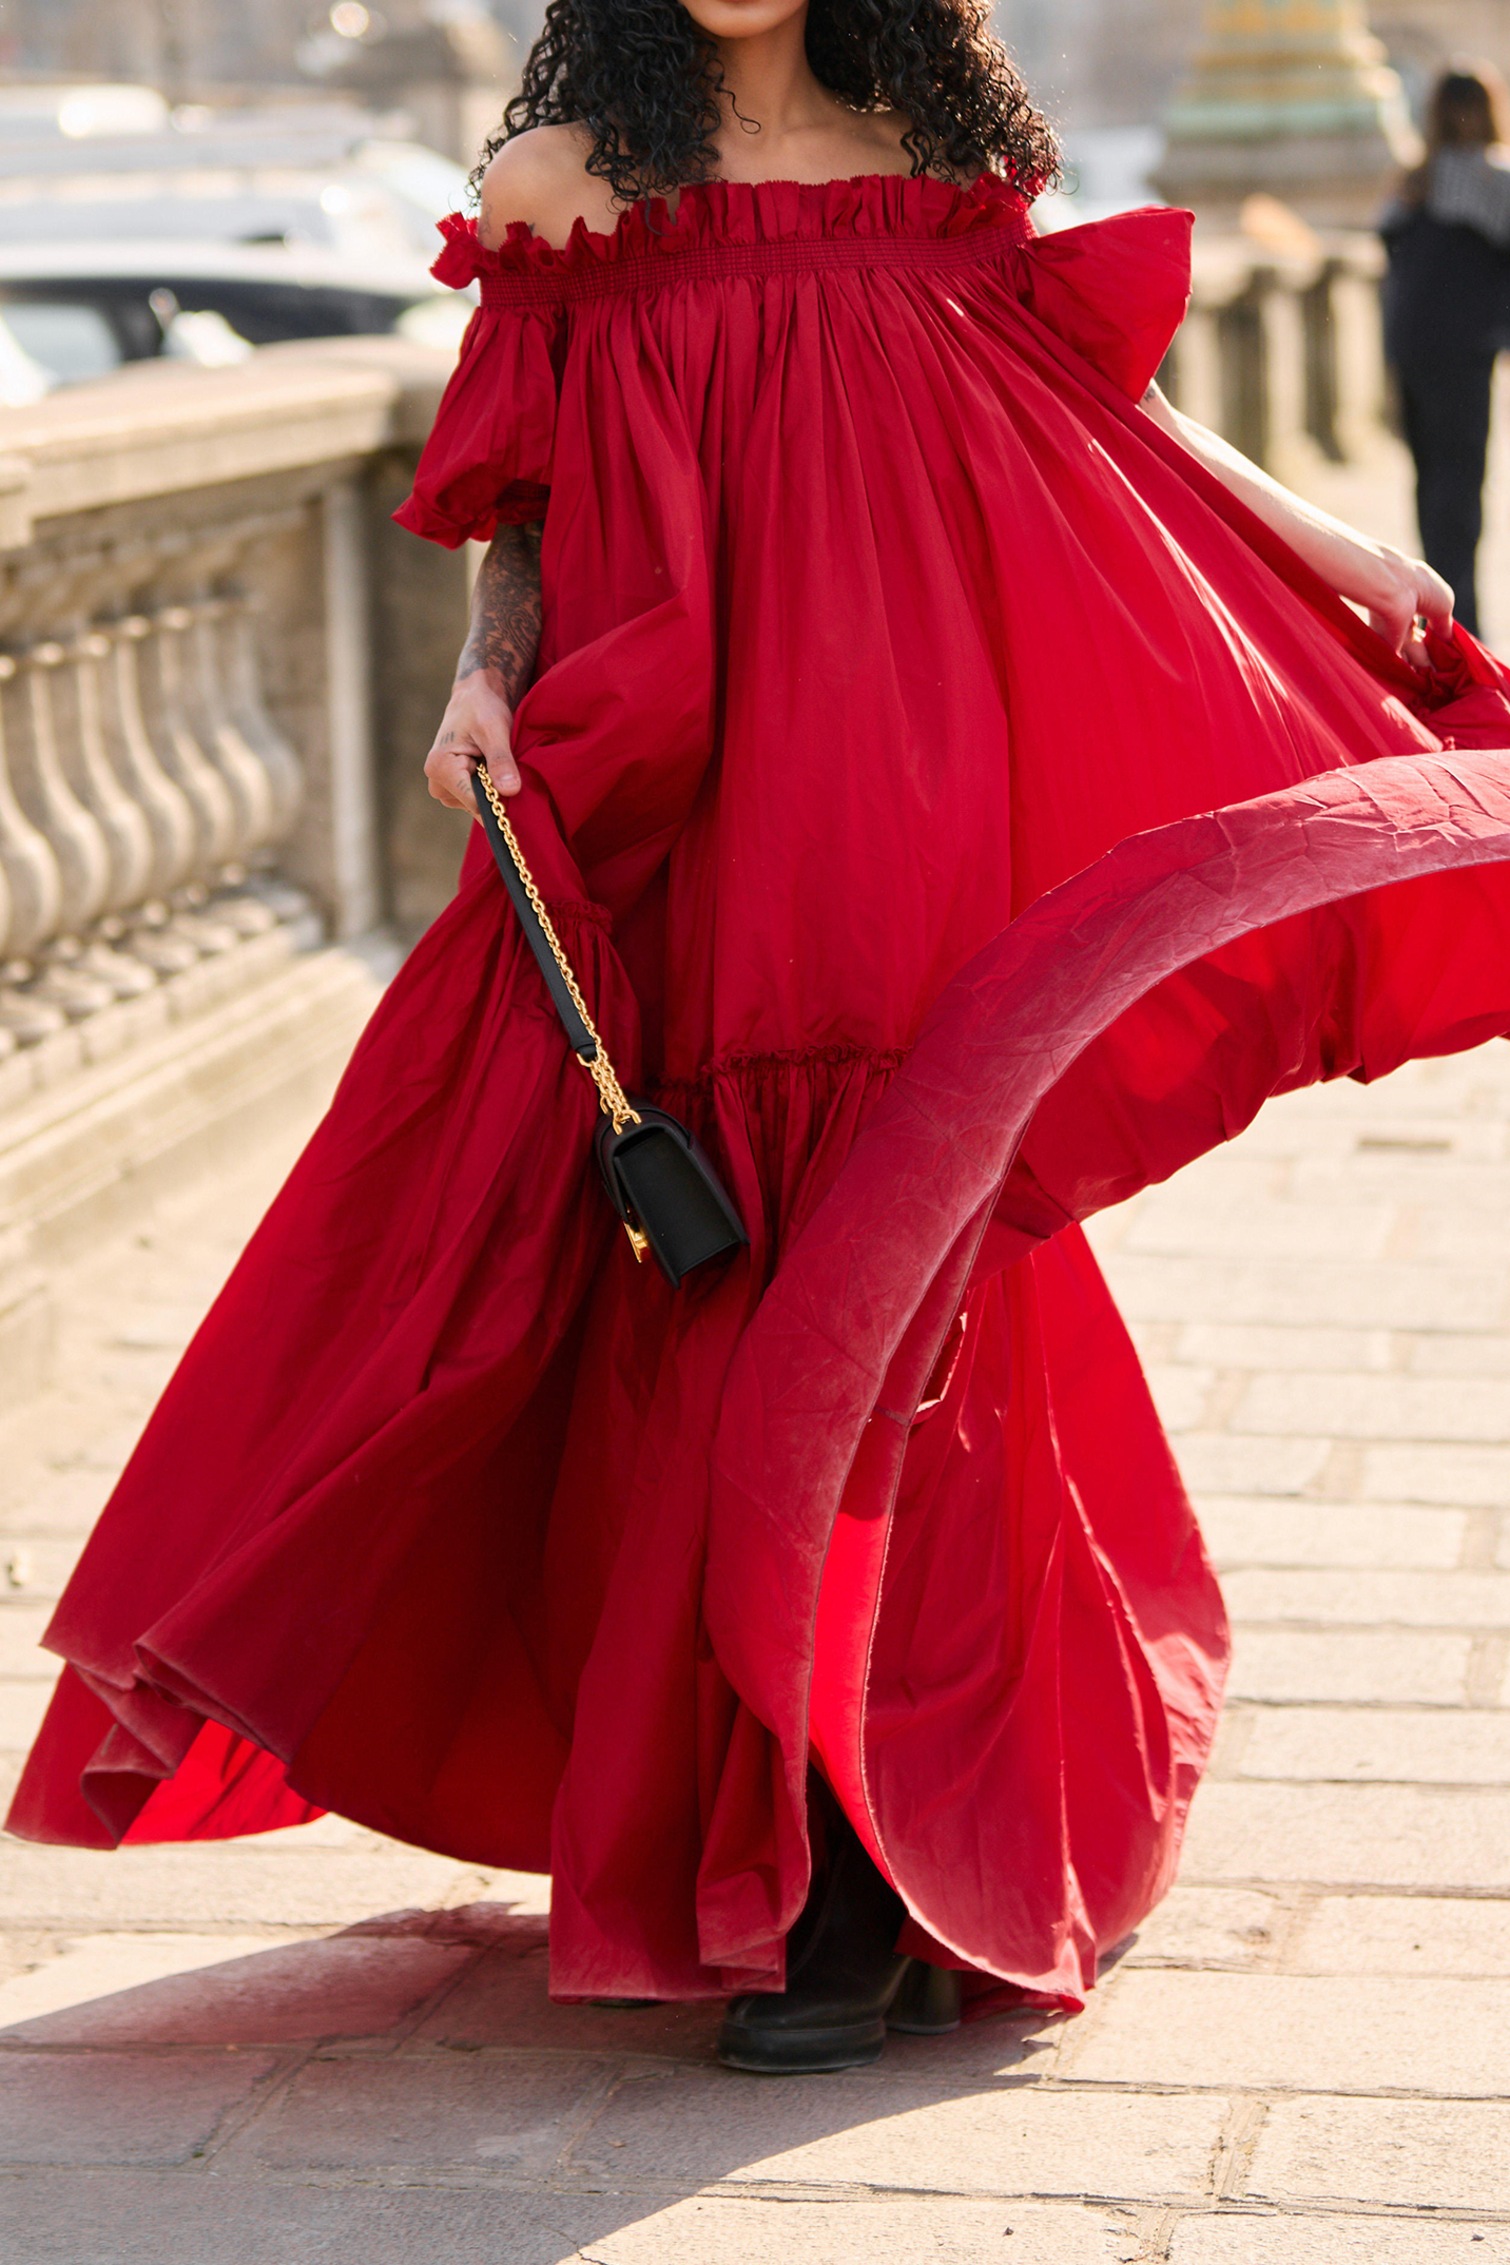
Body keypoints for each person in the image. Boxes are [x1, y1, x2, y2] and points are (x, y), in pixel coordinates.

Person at [11, 0, 1510, 2079]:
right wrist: (483, 682)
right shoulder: (561, 191)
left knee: (901, 1292)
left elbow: (1107, 408)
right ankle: (785, 1864)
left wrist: (1321, 543)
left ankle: (872, 1858)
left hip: (916, 780)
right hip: (688, 792)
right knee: (719, 1294)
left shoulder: (928, 152)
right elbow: (512, 500)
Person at [1382, 61, 1510, 638]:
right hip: (1465, 350)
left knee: (1428, 482)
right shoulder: (1497, 181)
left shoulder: (1414, 182)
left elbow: (1385, 249)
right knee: (1462, 485)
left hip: (1410, 345)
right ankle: (1467, 629)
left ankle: (1436, 615)